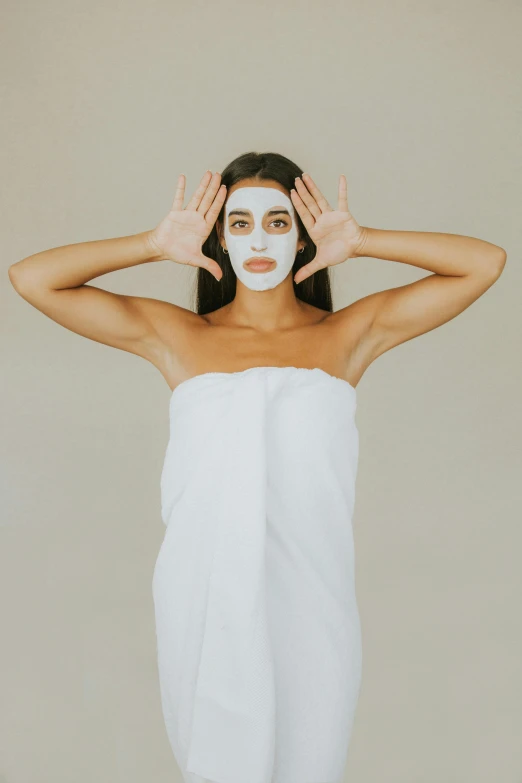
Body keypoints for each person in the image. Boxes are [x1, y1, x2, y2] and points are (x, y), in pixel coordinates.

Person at [8, 151, 506, 783]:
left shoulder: (349, 334)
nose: (260, 239)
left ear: (302, 237)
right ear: (218, 238)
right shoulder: (180, 336)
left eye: (278, 221)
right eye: (239, 224)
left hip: (313, 599)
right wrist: (153, 244)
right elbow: (31, 278)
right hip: (204, 596)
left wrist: (363, 240)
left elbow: (484, 262)